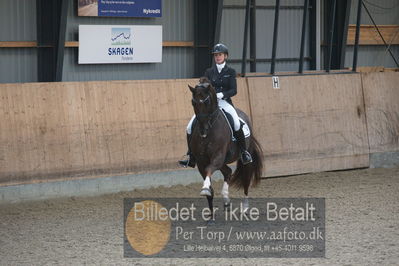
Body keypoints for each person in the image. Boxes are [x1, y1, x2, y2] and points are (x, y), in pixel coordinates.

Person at [179, 43, 253, 168]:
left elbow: (233, 90)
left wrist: (221, 94)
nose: (218, 57)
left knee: (236, 123)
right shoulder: (209, 72)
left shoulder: (230, 72)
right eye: (216, 55)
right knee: (189, 127)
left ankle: (244, 152)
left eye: (220, 55)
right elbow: (203, 87)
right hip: (209, 104)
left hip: (225, 102)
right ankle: (191, 156)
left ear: (225, 56)